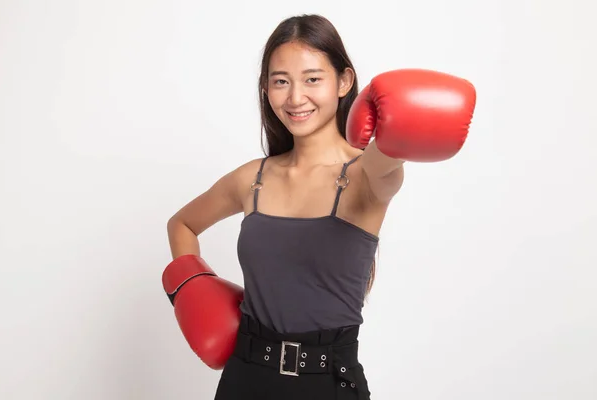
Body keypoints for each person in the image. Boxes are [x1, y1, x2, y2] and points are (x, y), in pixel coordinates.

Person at [162, 14, 476, 400]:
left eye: (312, 79)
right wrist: (193, 291)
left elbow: (387, 159)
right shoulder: (251, 179)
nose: (295, 98)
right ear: (266, 88)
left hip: (327, 386)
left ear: (344, 81)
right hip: (244, 379)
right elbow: (182, 224)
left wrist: (397, 122)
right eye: (281, 81)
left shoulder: (365, 176)